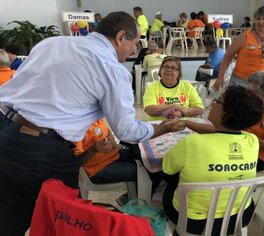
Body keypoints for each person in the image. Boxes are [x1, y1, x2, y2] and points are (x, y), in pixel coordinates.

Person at [0, 11, 180, 235]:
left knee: (10, 213)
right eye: (134, 43)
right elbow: (126, 131)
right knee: (63, 220)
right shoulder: (111, 69)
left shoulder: (51, 43)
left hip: (6, 129)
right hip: (42, 149)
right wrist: (161, 128)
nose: (135, 50)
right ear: (120, 36)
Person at [162, 86, 264, 235]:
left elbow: (167, 168)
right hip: (239, 216)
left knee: (170, 179)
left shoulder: (193, 143)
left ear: (227, 113)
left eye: (217, 101)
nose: (212, 105)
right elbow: (220, 134)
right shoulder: (252, 141)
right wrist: (187, 123)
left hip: (194, 221)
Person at [212, 6, 264, 91]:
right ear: (254, 20)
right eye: (258, 18)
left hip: (263, 85)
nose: (261, 22)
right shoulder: (243, 37)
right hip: (240, 83)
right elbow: (228, 57)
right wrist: (220, 77)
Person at [74, 118, 137, 184]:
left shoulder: (93, 115)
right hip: (97, 169)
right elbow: (75, 162)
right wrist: (93, 150)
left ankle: (135, 193)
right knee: (142, 171)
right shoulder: (75, 129)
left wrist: (110, 136)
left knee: (143, 159)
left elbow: (105, 129)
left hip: (113, 156)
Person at [143, 56, 204, 121]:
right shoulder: (152, 87)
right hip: (159, 126)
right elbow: (150, 110)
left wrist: (182, 113)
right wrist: (173, 106)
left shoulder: (187, 86)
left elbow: (199, 108)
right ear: (160, 70)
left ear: (179, 73)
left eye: (173, 68)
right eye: (166, 67)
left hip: (184, 125)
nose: (169, 70)